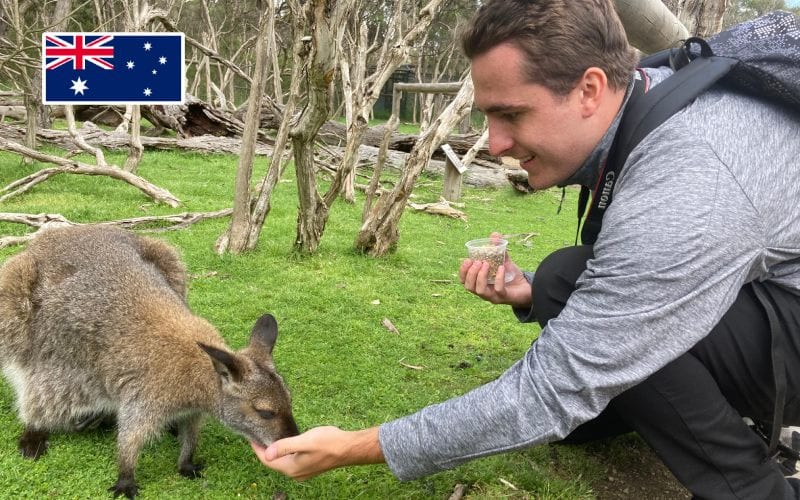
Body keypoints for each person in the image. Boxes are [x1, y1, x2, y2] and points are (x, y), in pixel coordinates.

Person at [250, 1, 800, 497]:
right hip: (767, 284)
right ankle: (614, 413)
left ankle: (755, 488)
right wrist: (531, 291)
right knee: (562, 277)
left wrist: (356, 446)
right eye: (488, 116)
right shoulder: (646, 89)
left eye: (511, 114)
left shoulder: (687, 181)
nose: (494, 144)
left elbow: (554, 385)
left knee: (603, 345)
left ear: (589, 90)